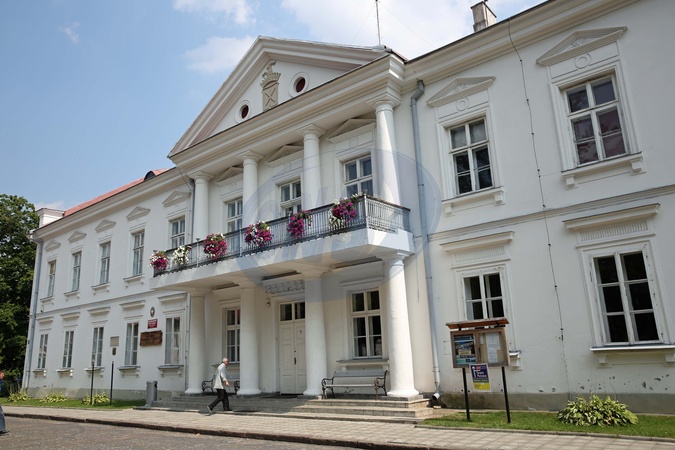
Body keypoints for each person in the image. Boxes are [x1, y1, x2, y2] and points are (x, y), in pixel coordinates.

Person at [0, 370, 7, 435]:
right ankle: (1, 429)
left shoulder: (0, 381)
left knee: (1, 414)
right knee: (1, 413)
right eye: (2, 374)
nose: (3, 375)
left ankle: (2, 429)